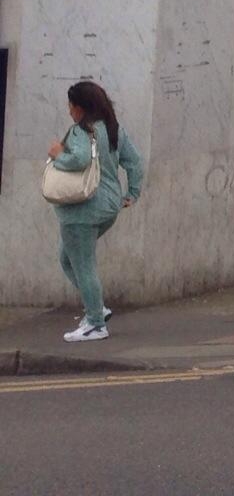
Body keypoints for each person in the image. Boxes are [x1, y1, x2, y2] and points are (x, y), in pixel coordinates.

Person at [45, 80, 146, 344]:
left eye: (71, 105)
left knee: (83, 264)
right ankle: (96, 308)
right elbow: (134, 162)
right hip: (109, 205)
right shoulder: (114, 129)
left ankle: (96, 323)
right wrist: (132, 194)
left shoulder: (82, 131)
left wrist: (58, 154)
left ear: (80, 107)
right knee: (68, 259)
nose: (69, 111)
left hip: (82, 209)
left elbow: (78, 159)